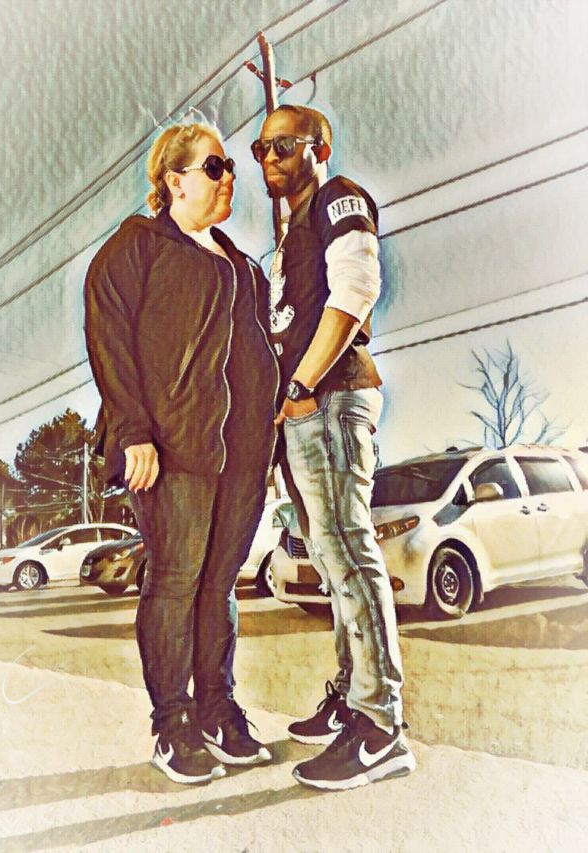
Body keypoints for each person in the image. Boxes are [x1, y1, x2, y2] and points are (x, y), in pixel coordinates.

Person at [84, 122, 279, 785]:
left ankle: (218, 710)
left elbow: (261, 358)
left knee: (219, 586)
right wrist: (133, 429)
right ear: (175, 180)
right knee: (175, 579)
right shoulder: (137, 246)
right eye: (215, 167)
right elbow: (109, 337)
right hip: (170, 449)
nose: (229, 178)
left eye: (230, 168)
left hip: (242, 456)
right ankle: (174, 724)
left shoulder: (243, 266)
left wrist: (269, 450)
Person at [252, 104, 415, 790]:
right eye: (260, 148)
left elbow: (357, 288)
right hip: (306, 408)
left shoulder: (339, 195)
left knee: (348, 549)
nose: (269, 158)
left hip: (332, 395)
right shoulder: (292, 230)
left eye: (283, 146)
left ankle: (380, 728)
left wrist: (301, 382)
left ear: (318, 148)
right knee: (330, 557)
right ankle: (353, 698)